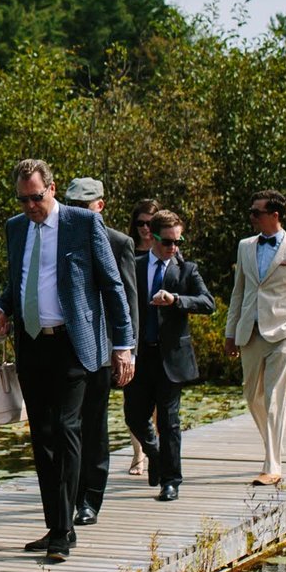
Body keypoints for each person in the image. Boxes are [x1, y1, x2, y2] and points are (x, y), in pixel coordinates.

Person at [0, 160, 133, 562]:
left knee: (68, 429)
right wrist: (2, 309)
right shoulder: (16, 227)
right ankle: (58, 525)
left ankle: (62, 531)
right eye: (23, 199)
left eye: (36, 197)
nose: (30, 206)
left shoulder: (83, 224)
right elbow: (17, 282)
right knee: (43, 437)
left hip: (74, 343)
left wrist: (123, 344)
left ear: (51, 189)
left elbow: (112, 285)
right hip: (33, 343)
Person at [60, 177, 139, 528]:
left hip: (101, 350)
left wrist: (125, 349)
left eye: (84, 206)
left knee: (94, 425)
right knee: (65, 426)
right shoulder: (55, 237)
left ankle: (91, 498)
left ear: (100, 206)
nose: (77, 212)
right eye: (71, 205)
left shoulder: (118, 242)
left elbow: (126, 299)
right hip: (62, 348)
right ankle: (68, 496)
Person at [224, 189, 286, 485]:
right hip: (249, 332)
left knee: (275, 397)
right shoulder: (245, 246)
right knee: (252, 396)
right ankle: (271, 446)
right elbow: (238, 292)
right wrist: (230, 332)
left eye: (256, 213)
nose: (251, 217)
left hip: (281, 333)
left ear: (274, 215)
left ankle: (272, 464)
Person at [127, 209, 213, 501]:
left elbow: (207, 302)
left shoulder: (187, 269)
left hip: (171, 357)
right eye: (168, 242)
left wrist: (176, 299)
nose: (174, 248)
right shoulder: (135, 266)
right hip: (140, 355)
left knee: (169, 420)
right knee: (134, 416)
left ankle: (171, 481)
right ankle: (157, 457)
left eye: (178, 242)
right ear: (152, 236)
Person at [124, 198, 161, 480]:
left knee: (161, 403)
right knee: (133, 401)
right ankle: (139, 454)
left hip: (160, 335)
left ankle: (158, 451)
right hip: (134, 336)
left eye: (151, 223)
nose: (146, 229)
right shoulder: (126, 252)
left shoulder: (169, 252)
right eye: (141, 223)